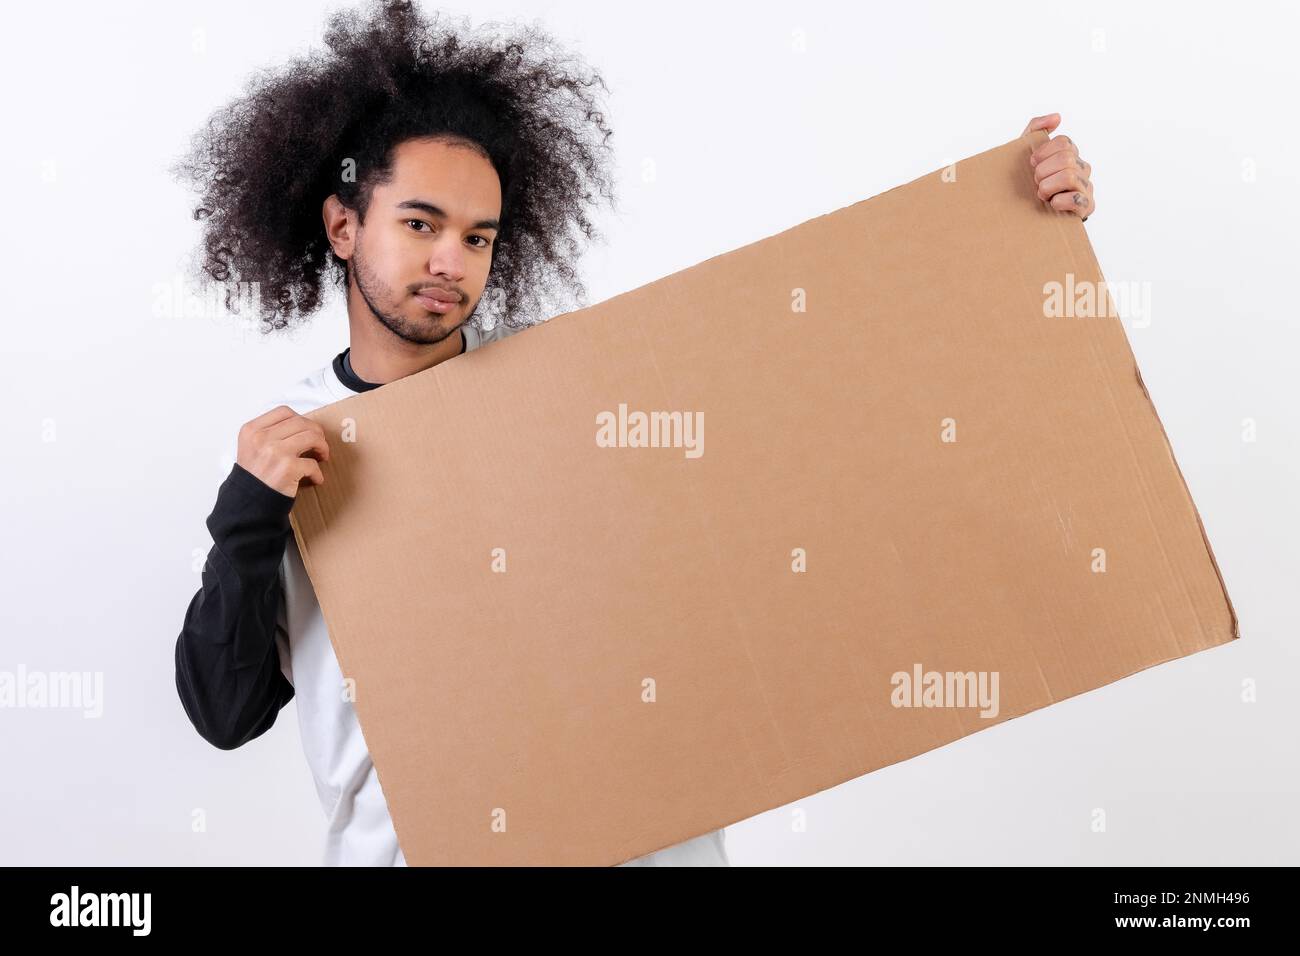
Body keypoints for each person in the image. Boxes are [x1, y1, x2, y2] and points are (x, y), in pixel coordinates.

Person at [172, 0, 1095, 868]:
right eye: (420, 224)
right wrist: (245, 520)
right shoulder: (283, 454)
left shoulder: (576, 391)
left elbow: (846, 386)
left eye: (480, 237)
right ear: (342, 224)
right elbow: (226, 714)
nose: (453, 262)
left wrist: (1011, 220)